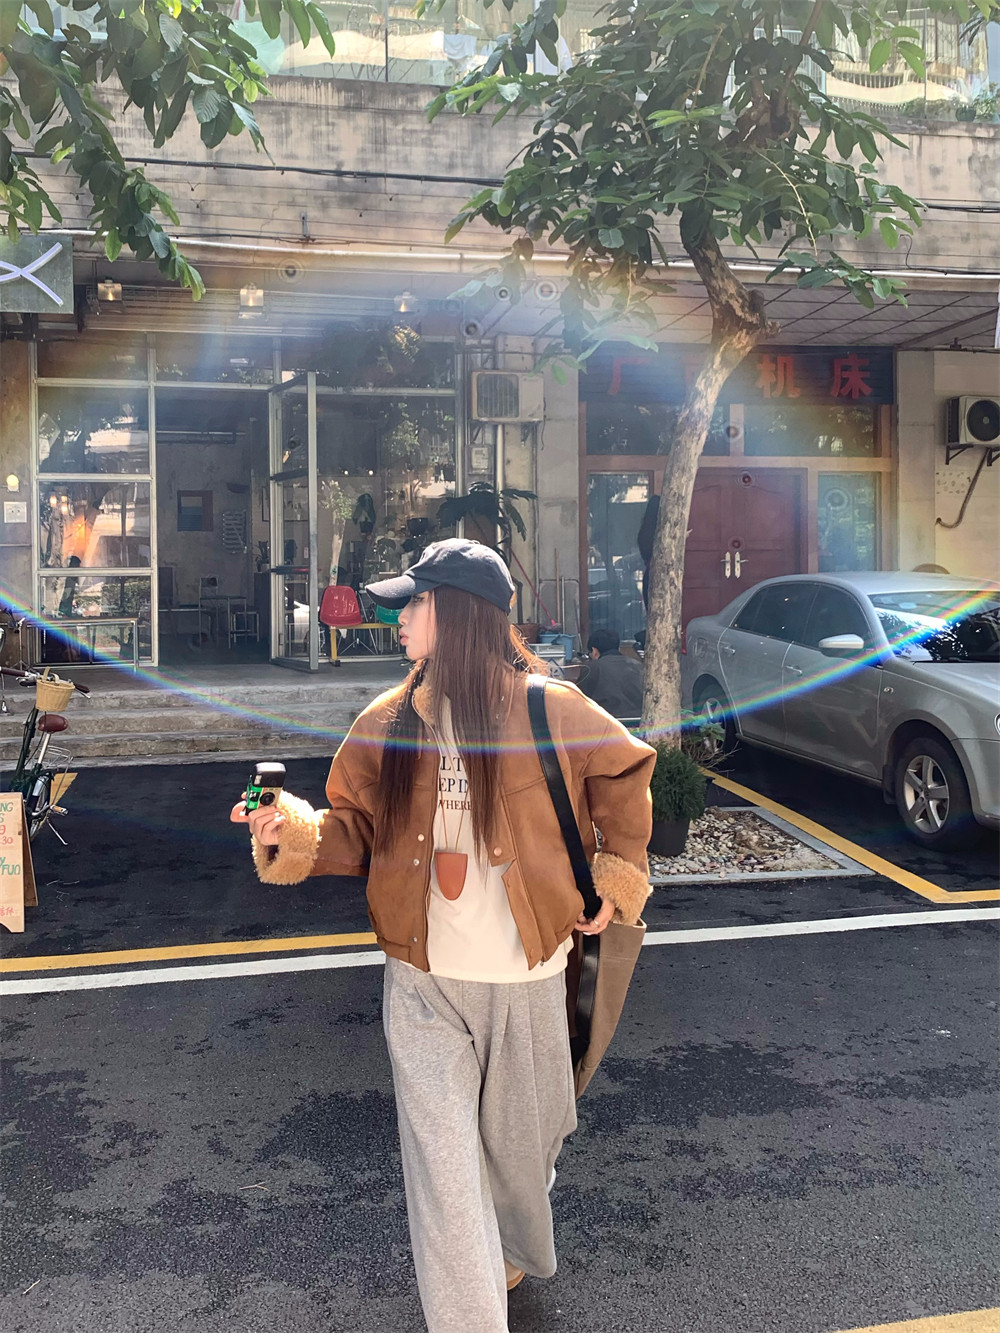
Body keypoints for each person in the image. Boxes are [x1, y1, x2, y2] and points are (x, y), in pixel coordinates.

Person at [231, 538, 654, 1333]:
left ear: (458, 614)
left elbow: (625, 773)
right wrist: (287, 828)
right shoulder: (387, 723)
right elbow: (353, 827)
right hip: (423, 987)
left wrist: (617, 875)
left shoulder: (550, 709)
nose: (398, 618)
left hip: (529, 980)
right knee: (448, 1182)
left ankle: (515, 1245)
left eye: (414, 603)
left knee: (524, 1155)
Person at [578, 628, 645, 719]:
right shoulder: (638, 665)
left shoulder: (592, 668)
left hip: (608, 722)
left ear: (594, 651)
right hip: (641, 720)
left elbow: (578, 699)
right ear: (618, 648)